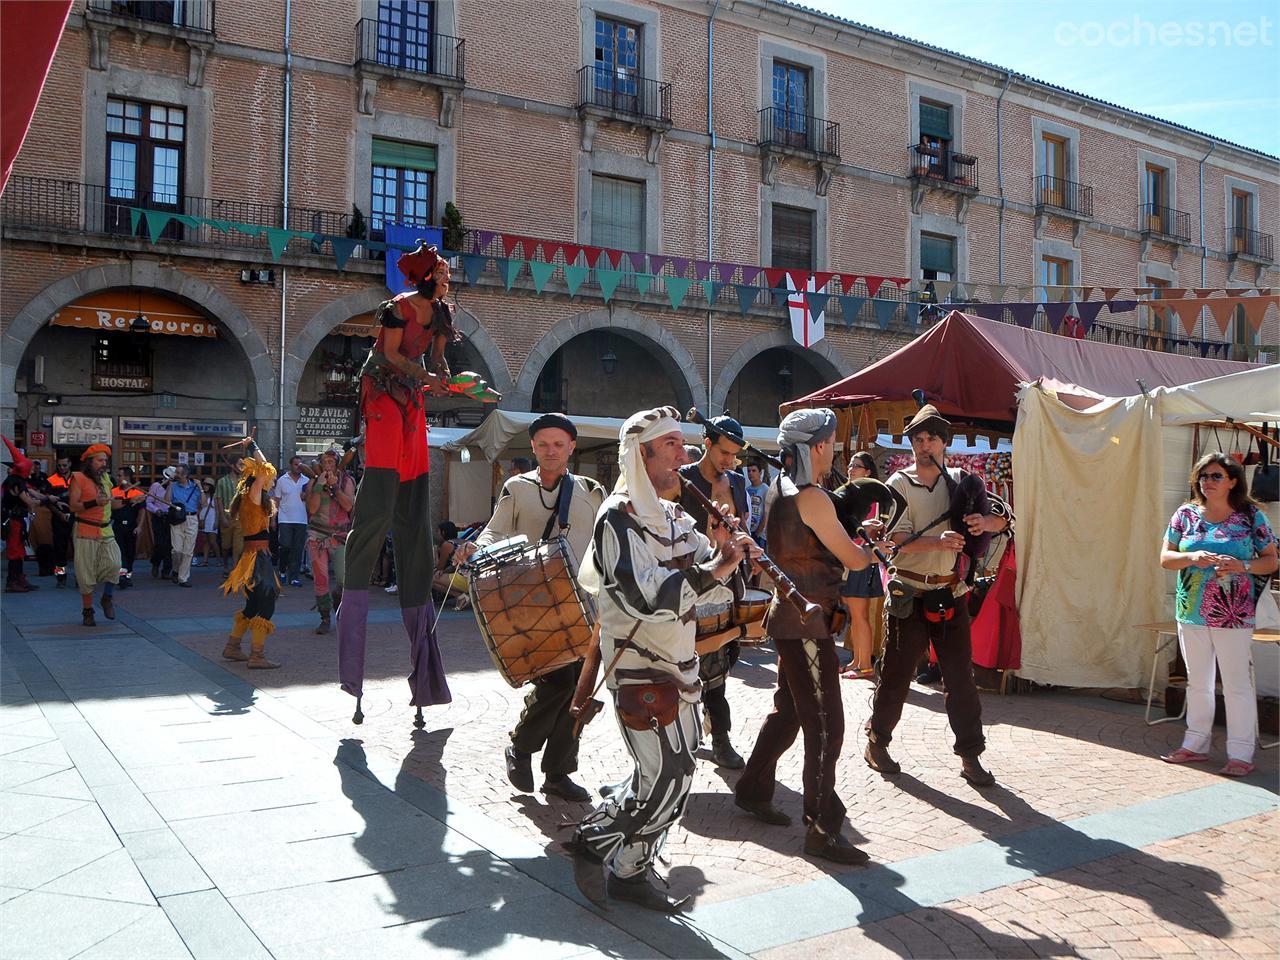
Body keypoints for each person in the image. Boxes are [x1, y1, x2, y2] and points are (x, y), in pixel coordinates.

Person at [566, 406, 752, 912]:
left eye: (681, 444)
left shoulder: (675, 518)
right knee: (670, 774)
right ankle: (596, 842)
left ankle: (632, 869)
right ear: (639, 455)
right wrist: (716, 565)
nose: (684, 454)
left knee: (671, 773)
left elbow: (713, 593)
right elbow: (647, 599)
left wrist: (723, 546)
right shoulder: (616, 522)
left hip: (681, 665)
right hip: (640, 668)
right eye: (670, 445)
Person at [733, 408, 876, 865]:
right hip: (807, 622)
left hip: (792, 617)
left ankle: (753, 788)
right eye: (831, 441)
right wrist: (872, 549)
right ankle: (820, 828)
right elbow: (852, 561)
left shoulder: (780, 488)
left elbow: (816, 546)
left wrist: (858, 541)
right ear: (817, 446)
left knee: (791, 710)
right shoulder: (811, 497)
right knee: (826, 724)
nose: (834, 449)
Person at [865, 404, 1012, 787]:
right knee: (897, 676)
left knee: (961, 678)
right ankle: (877, 743)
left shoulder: (963, 480)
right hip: (909, 593)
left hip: (950, 592)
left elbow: (1003, 518)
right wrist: (937, 539)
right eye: (918, 438)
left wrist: (986, 523)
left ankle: (971, 756)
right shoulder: (898, 483)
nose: (924, 445)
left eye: (931, 438)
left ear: (944, 443)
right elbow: (893, 541)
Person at [337, 241, 455, 718]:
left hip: (414, 401)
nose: (448, 279)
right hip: (384, 393)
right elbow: (387, 356)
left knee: (414, 511)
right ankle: (356, 599)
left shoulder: (442, 315)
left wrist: (445, 377)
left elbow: (438, 361)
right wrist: (423, 374)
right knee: (383, 488)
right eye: (443, 273)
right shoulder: (396, 309)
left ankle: (422, 662)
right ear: (427, 276)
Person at [468, 413, 606, 802]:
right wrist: (476, 548)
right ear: (532, 447)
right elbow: (495, 530)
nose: (550, 451)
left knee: (581, 690)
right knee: (557, 680)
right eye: (543, 444)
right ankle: (522, 747)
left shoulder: (593, 491)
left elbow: (605, 542)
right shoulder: (517, 487)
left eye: (558, 444)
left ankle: (559, 772)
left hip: (586, 606)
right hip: (534, 603)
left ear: (571, 448)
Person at [1159, 453, 1276, 777]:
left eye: (1215, 476)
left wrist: (1243, 566)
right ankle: (1194, 744)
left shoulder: (1250, 516)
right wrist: (1192, 556)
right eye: (1203, 476)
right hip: (1191, 611)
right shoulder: (1185, 515)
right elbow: (1165, 558)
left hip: (1233, 613)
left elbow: (1271, 560)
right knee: (1198, 682)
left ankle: (1240, 753)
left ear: (1233, 481)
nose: (1207, 482)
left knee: (1236, 684)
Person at [677, 414, 751, 769]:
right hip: (692, 583)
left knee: (725, 658)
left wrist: (740, 541)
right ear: (706, 442)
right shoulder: (684, 479)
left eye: (734, 455)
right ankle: (716, 739)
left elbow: (745, 526)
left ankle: (712, 728)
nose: (729, 461)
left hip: (728, 583)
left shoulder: (736, 482)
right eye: (724, 453)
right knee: (692, 665)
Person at [221, 437, 283, 669]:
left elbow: (265, 472)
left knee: (253, 605)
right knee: (266, 605)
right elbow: (266, 469)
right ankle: (256, 656)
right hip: (257, 559)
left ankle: (233, 647)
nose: (270, 481)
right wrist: (253, 446)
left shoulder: (249, 498)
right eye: (266, 480)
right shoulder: (254, 494)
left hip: (252, 557)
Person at [839, 452, 885, 681]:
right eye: (850, 465)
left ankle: (864, 664)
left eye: (856, 466)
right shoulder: (855, 496)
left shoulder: (870, 498)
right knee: (855, 615)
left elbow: (872, 530)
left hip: (862, 561)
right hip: (854, 558)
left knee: (859, 615)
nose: (850, 469)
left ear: (867, 472)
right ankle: (857, 660)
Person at [67, 444, 122, 626]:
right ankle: (88, 611)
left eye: (105, 460)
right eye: (100, 460)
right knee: (85, 574)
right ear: (90, 462)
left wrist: (126, 502)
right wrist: (94, 503)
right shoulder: (78, 478)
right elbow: (74, 506)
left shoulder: (106, 478)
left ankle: (107, 597)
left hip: (106, 530)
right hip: (85, 530)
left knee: (115, 565)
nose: (103, 463)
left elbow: (109, 504)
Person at [306, 448, 355, 635]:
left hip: (340, 536)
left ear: (336, 464)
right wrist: (319, 485)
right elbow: (312, 508)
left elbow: (349, 506)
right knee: (321, 578)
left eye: (331, 462)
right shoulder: (313, 481)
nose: (328, 465)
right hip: (317, 535)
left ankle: (337, 598)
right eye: (324, 462)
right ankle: (325, 617)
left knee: (343, 579)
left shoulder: (347, 481)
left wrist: (335, 487)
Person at [3, 437, 49, 592]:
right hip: (14, 521)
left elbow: (32, 493)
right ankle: (12, 582)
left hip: (18, 520)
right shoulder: (15, 482)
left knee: (19, 551)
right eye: (29, 468)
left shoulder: (18, 480)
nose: (31, 470)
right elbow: (28, 500)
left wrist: (49, 498)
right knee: (15, 552)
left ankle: (20, 579)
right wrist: (43, 502)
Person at [273, 456, 309, 587]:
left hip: (301, 519)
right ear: (290, 465)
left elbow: (312, 500)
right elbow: (276, 500)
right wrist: (273, 518)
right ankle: (282, 571)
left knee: (298, 549)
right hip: (285, 519)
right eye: (295, 464)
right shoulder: (282, 480)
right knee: (285, 546)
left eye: (300, 465)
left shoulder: (307, 480)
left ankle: (294, 577)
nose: (298, 467)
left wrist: (307, 497)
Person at [110, 467, 146, 589]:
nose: (118, 478)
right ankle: (122, 576)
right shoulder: (114, 491)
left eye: (120, 476)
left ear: (127, 477)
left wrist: (140, 526)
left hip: (131, 526)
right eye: (118, 476)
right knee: (120, 552)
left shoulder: (138, 492)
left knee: (130, 552)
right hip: (117, 525)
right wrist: (128, 500)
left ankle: (128, 574)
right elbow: (112, 506)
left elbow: (142, 511)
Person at [166, 463, 201, 587]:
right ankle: (176, 569)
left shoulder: (195, 487)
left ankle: (183, 578)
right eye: (176, 472)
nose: (176, 475)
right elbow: (166, 500)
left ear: (185, 475)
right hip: (177, 519)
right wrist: (170, 483)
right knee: (176, 550)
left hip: (191, 518)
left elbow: (204, 503)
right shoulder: (173, 485)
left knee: (188, 552)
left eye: (179, 473)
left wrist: (200, 487)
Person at [431, 521, 471, 610]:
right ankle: (464, 596)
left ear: (443, 532)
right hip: (472, 577)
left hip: (464, 579)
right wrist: (444, 571)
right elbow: (455, 565)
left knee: (430, 579)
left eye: (438, 531)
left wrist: (436, 553)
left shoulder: (447, 545)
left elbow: (439, 567)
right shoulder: (464, 541)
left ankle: (461, 597)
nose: (437, 534)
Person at [214, 456, 245, 570]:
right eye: (240, 464)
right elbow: (218, 499)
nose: (242, 467)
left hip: (241, 518)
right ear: (232, 466)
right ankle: (226, 566)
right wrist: (222, 517)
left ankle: (235, 569)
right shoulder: (222, 481)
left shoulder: (244, 481)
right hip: (227, 517)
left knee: (239, 546)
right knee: (226, 545)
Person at [47, 456, 73, 587]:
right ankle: (61, 577)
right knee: (59, 550)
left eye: (64, 465)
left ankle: (81, 578)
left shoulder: (77, 479)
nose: (62, 468)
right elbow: (48, 502)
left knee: (79, 550)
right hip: (58, 519)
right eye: (60, 465)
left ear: (70, 464)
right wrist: (59, 514)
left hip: (75, 518)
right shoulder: (51, 480)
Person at [147, 468, 174, 578]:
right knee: (160, 544)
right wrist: (156, 510)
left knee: (170, 545)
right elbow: (148, 502)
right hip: (158, 517)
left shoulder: (176, 487)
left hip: (171, 518)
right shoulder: (156, 486)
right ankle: (155, 563)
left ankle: (166, 571)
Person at [745, 461, 770, 548]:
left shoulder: (765, 489)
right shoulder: (747, 490)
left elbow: (766, 513)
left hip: (760, 534)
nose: (750, 473)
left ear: (760, 472)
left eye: (754, 470)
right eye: (748, 471)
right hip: (749, 531)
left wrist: (758, 532)